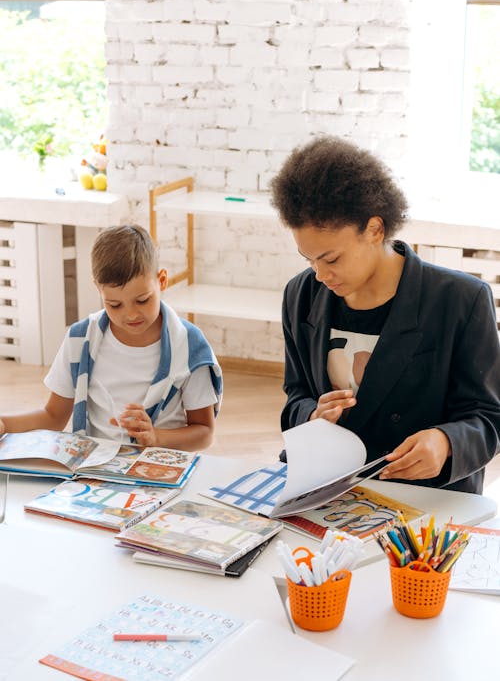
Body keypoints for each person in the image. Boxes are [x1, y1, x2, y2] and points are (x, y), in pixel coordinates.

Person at [269, 135, 500, 493]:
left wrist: (446, 442)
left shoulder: (461, 300)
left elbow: (487, 418)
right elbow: (296, 394)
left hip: (424, 497)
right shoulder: (301, 294)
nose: (320, 274)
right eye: (309, 259)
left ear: (375, 229)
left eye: (331, 258)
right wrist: (313, 415)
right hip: (328, 485)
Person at [0, 225, 222, 450]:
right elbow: (53, 416)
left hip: (161, 467)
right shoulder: (80, 340)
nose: (131, 314)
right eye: (114, 304)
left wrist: (156, 437)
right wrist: (3, 423)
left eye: (143, 300)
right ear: (98, 289)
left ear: (161, 280)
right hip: (96, 470)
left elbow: (204, 433)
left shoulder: (189, 345)